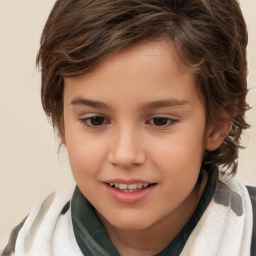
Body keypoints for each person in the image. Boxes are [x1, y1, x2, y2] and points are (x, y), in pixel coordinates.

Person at [2, 0, 255, 255]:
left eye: (160, 121)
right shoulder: (29, 246)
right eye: (96, 120)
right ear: (61, 122)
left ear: (218, 123)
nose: (124, 155)